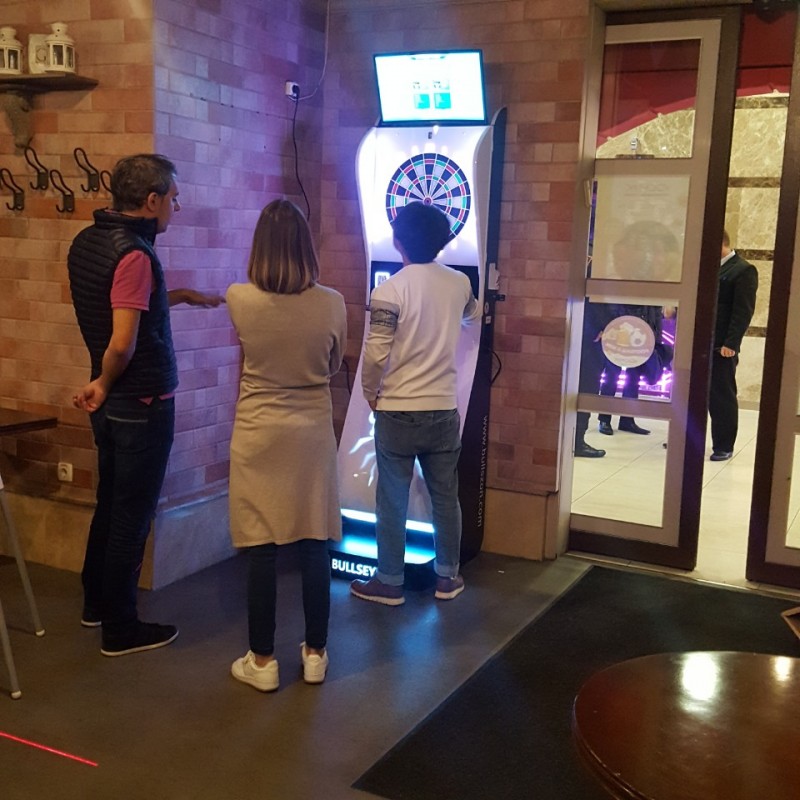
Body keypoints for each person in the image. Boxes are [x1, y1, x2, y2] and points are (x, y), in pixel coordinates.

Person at [68, 154, 222, 657]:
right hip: (140, 401)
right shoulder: (134, 254)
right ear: (151, 200)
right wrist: (103, 381)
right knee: (131, 518)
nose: (177, 206)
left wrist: (182, 295)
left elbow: (123, 303)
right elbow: (123, 342)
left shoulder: (88, 240)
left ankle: (96, 605)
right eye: (174, 198)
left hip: (113, 406)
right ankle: (121, 628)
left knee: (110, 503)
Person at [226, 200, 346, 692]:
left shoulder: (239, 298)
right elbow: (334, 364)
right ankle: (315, 653)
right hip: (311, 431)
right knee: (315, 539)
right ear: (306, 246)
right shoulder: (332, 303)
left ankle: (263, 661)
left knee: (261, 547)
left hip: (258, 431)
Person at [349, 201, 481, 605]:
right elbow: (473, 315)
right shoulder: (459, 283)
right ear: (442, 241)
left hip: (397, 408)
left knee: (392, 499)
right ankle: (448, 578)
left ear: (397, 240)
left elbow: (376, 353)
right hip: (443, 408)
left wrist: (370, 392)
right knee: (445, 496)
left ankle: (390, 582)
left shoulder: (388, 291)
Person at [708, 230, 758, 461]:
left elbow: (743, 311)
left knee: (721, 395)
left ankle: (723, 445)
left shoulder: (743, 270)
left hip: (721, 346)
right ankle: (686, 439)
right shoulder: (706, 268)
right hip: (699, 343)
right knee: (691, 393)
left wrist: (731, 343)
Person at [597, 304, 665, 436]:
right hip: (618, 333)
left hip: (641, 336)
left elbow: (656, 312)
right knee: (612, 377)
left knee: (633, 379)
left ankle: (626, 419)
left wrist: (655, 340)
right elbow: (611, 306)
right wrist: (606, 327)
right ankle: (605, 419)